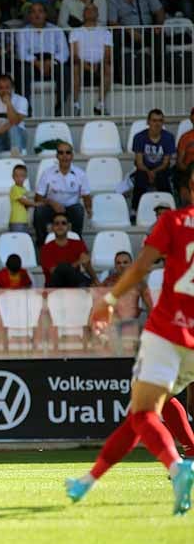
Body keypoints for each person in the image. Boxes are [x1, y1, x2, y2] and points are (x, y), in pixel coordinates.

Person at [67, 176, 194, 515]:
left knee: (142, 414)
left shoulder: (174, 221)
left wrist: (108, 300)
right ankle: (87, 480)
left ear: (189, 188)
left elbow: (140, 267)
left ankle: (178, 465)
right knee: (150, 410)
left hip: (167, 331)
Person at [15, 3, 71, 116]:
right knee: (22, 70)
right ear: (29, 15)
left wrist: (51, 62)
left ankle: (60, 106)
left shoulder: (56, 30)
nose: (37, 14)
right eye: (33, 11)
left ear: (45, 14)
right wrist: (36, 62)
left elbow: (64, 52)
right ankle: (26, 107)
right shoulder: (22, 32)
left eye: (40, 11)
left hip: (52, 62)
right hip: (32, 62)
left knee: (64, 70)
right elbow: (21, 53)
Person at [33, 142, 92, 247]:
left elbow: (86, 196)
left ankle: (76, 243)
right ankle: (42, 244)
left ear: (72, 155)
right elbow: (38, 198)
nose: (64, 156)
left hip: (71, 209)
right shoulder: (47, 173)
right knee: (39, 211)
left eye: (68, 152)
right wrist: (51, 202)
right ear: (57, 156)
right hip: (51, 208)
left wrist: (89, 209)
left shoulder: (80, 174)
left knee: (79, 210)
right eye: (61, 153)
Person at [69, 2, 113, 117]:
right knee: (74, 66)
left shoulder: (105, 32)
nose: (90, 12)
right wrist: (86, 65)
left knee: (108, 66)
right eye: (87, 10)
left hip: (100, 64)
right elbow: (74, 54)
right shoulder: (75, 32)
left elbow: (108, 54)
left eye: (93, 10)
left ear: (98, 14)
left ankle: (100, 104)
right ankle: (75, 105)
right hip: (81, 64)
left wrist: (100, 63)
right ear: (83, 14)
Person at [100, 250, 153, 341]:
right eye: (118, 263)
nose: (122, 265)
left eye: (125, 262)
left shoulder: (139, 281)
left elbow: (149, 304)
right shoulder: (108, 281)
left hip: (131, 321)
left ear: (131, 264)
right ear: (115, 266)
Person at [131, 108, 175, 212]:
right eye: (154, 120)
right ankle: (135, 209)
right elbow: (139, 162)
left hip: (161, 169)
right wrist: (148, 172)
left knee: (163, 178)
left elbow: (166, 162)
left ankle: (169, 208)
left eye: (160, 120)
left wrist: (154, 172)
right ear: (148, 122)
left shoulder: (168, 137)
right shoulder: (139, 137)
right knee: (140, 177)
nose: (157, 124)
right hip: (144, 168)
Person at [0, 75, 29, 165]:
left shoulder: (21, 100)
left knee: (13, 130)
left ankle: (17, 166)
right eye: (1, 88)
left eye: (7, 87)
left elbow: (15, 121)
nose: (4, 91)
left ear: (12, 88)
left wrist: (8, 103)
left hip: (18, 134)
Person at [40, 214, 96, 287]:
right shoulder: (45, 248)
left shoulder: (78, 244)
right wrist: (78, 262)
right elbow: (55, 271)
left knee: (84, 280)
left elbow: (86, 262)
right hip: (54, 285)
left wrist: (95, 280)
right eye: (57, 223)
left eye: (63, 223)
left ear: (69, 227)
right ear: (52, 227)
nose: (60, 226)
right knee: (62, 267)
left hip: (73, 282)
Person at [8, 163, 35, 234]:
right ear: (13, 177)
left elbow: (26, 205)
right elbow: (23, 201)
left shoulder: (24, 189)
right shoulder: (14, 189)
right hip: (16, 220)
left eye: (22, 176)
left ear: (25, 177)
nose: (19, 178)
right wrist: (36, 204)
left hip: (24, 220)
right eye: (17, 176)